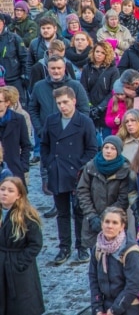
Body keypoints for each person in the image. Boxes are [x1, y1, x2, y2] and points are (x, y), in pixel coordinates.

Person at [41, 86, 98, 265]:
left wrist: (80, 167)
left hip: (78, 174)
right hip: (58, 172)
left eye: (65, 102)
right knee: (62, 213)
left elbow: (92, 149)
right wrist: (50, 163)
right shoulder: (51, 121)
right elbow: (44, 145)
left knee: (80, 211)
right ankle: (64, 246)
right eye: (59, 103)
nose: (62, 106)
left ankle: (82, 247)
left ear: (74, 101)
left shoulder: (84, 121)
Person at [76, 136, 131, 251]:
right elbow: (82, 191)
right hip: (92, 220)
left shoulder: (125, 169)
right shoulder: (91, 166)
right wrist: (91, 216)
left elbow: (123, 198)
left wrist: (106, 218)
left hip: (115, 222)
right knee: (95, 257)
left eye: (113, 148)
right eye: (106, 147)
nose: (108, 151)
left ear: (118, 151)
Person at [0, 177, 44, 315]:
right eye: (2, 189)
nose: (4, 193)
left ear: (19, 195)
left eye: (10, 190)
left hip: (19, 270)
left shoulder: (27, 216)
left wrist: (19, 263)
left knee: (21, 306)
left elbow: (35, 244)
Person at [89, 207, 139, 315]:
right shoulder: (98, 248)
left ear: (122, 226)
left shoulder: (131, 252)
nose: (110, 226)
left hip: (128, 306)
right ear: (102, 224)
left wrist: (114, 310)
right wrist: (97, 308)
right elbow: (93, 279)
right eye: (107, 222)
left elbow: (134, 286)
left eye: (115, 223)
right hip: (106, 305)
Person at [0, 86, 31, 185]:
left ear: (7, 103)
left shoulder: (19, 119)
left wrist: (23, 166)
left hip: (14, 168)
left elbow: (26, 145)